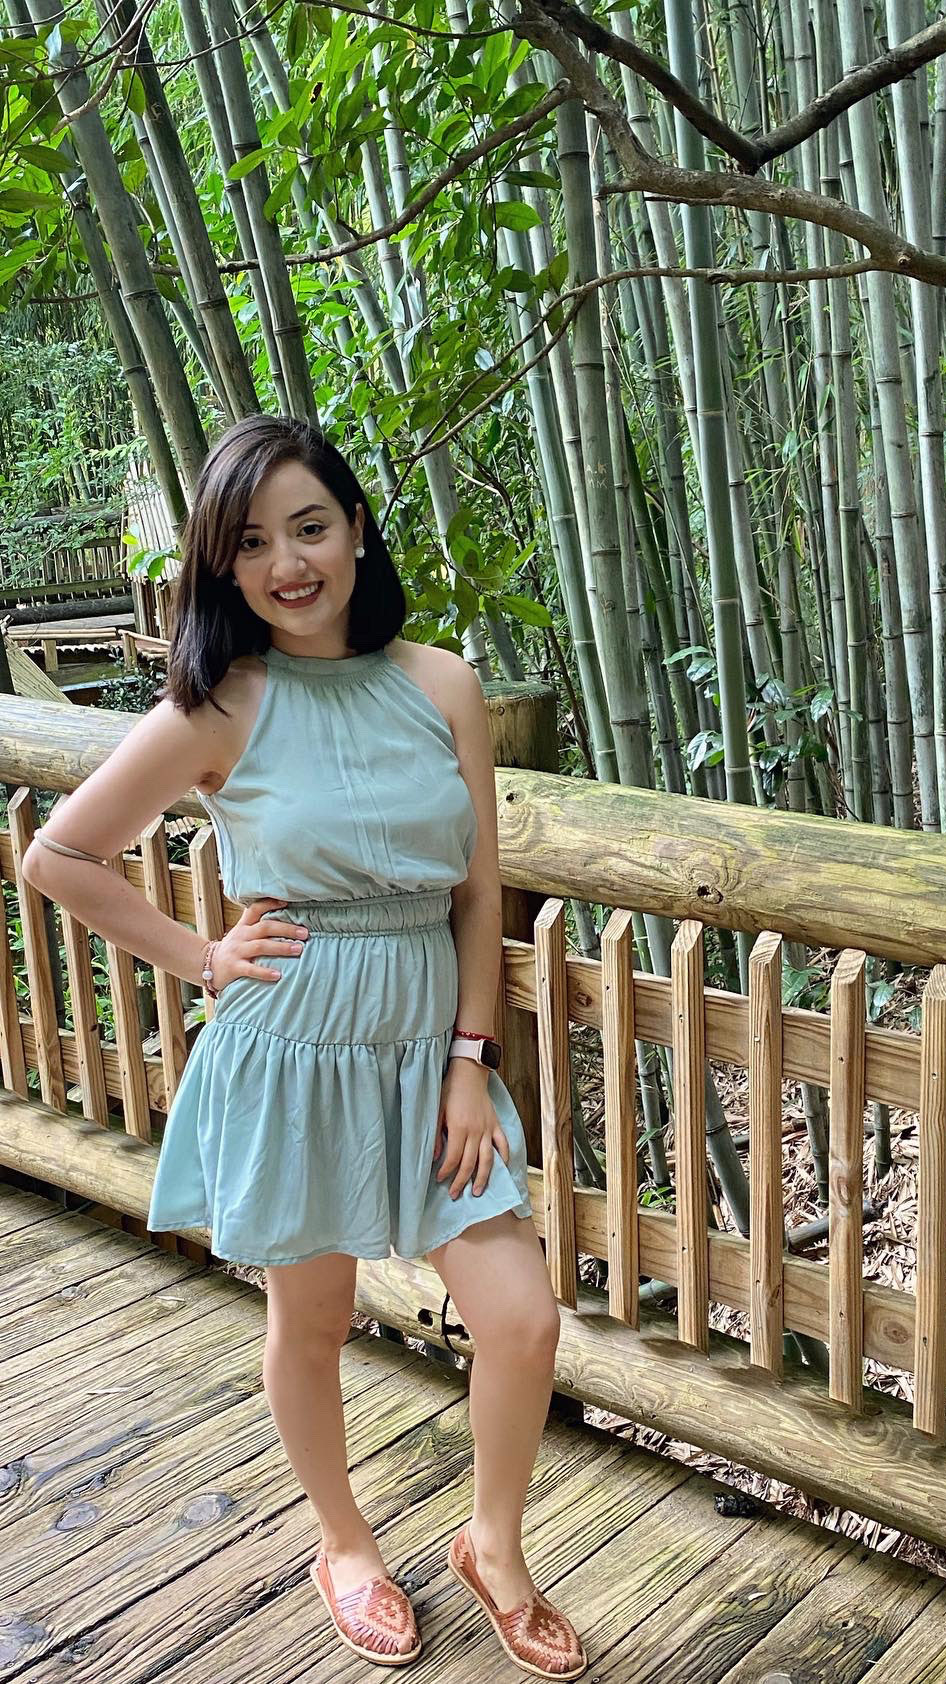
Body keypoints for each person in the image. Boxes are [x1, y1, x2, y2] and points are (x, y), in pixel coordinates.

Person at [19, 415, 587, 1677]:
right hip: (293, 1051)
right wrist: (203, 958)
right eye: (254, 540)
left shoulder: (439, 681)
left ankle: (493, 1542)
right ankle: (344, 1540)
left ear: (357, 529)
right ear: (222, 566)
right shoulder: (218, 708)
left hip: (423, 1054)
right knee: (314, 1316)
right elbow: (61, 855)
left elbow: (480, 894)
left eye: (310, 527)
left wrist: (466, 1059)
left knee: (522, 1317)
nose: (289, 561)